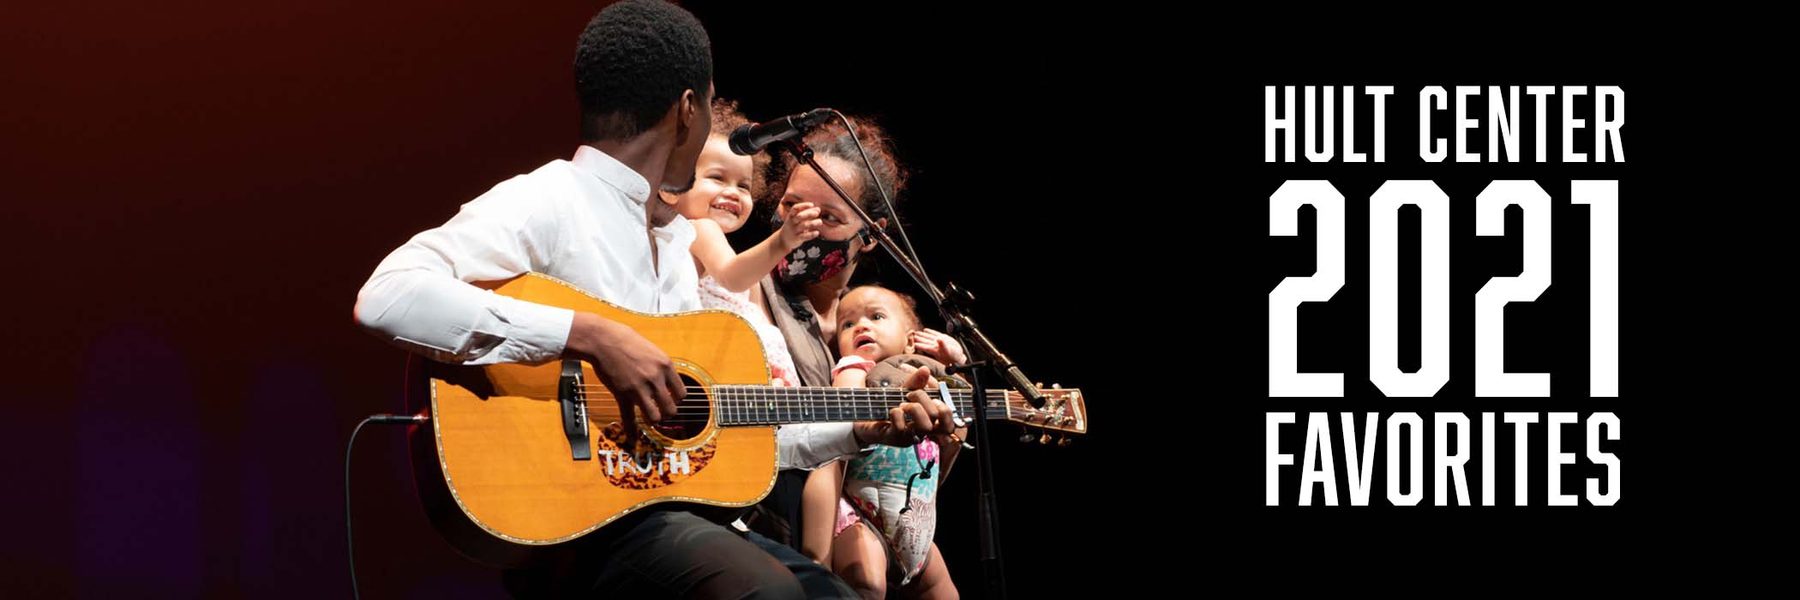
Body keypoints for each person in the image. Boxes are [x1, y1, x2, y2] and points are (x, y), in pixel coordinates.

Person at [352, 2, 953, 597]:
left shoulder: (674, 239)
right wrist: (588, 335)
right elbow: (387, 296)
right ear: (688, 110)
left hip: (673, 512)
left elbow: (722, 423)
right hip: (575, 524)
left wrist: (861, 427)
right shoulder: (550, 198)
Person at [806, 285, 965, 599]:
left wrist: (956, 366)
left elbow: (958, 431)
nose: (861, 326)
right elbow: (845, 408)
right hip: (863, 517)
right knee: (866, 582)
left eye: (876, 316)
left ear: (910, 338)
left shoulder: (931, 380)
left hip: (916, 527)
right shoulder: (854, 369)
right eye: (847, 324)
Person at [658, 98, 821, 388]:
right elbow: (732, 276)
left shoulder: (747, 271)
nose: (733, 193)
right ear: (674, 186)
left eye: (743, 186)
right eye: (717, 178)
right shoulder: (699, 229)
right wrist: (783, 240)